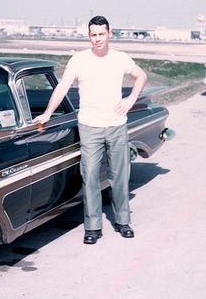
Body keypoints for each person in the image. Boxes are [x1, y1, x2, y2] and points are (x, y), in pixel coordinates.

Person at [34, 15, 148, 245]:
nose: (97, 39)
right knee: (91, 177)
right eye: (93, 35)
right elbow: (62, 88)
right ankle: (93, 227)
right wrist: (47, 113)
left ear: (109, 34)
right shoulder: (78, 60)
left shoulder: (120, 58)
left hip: (116, 126)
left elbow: (141, 76)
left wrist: (131, 99)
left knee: (119, 176)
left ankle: (123, 221)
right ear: (89, 36)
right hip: (89, 127)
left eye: (101, 34)